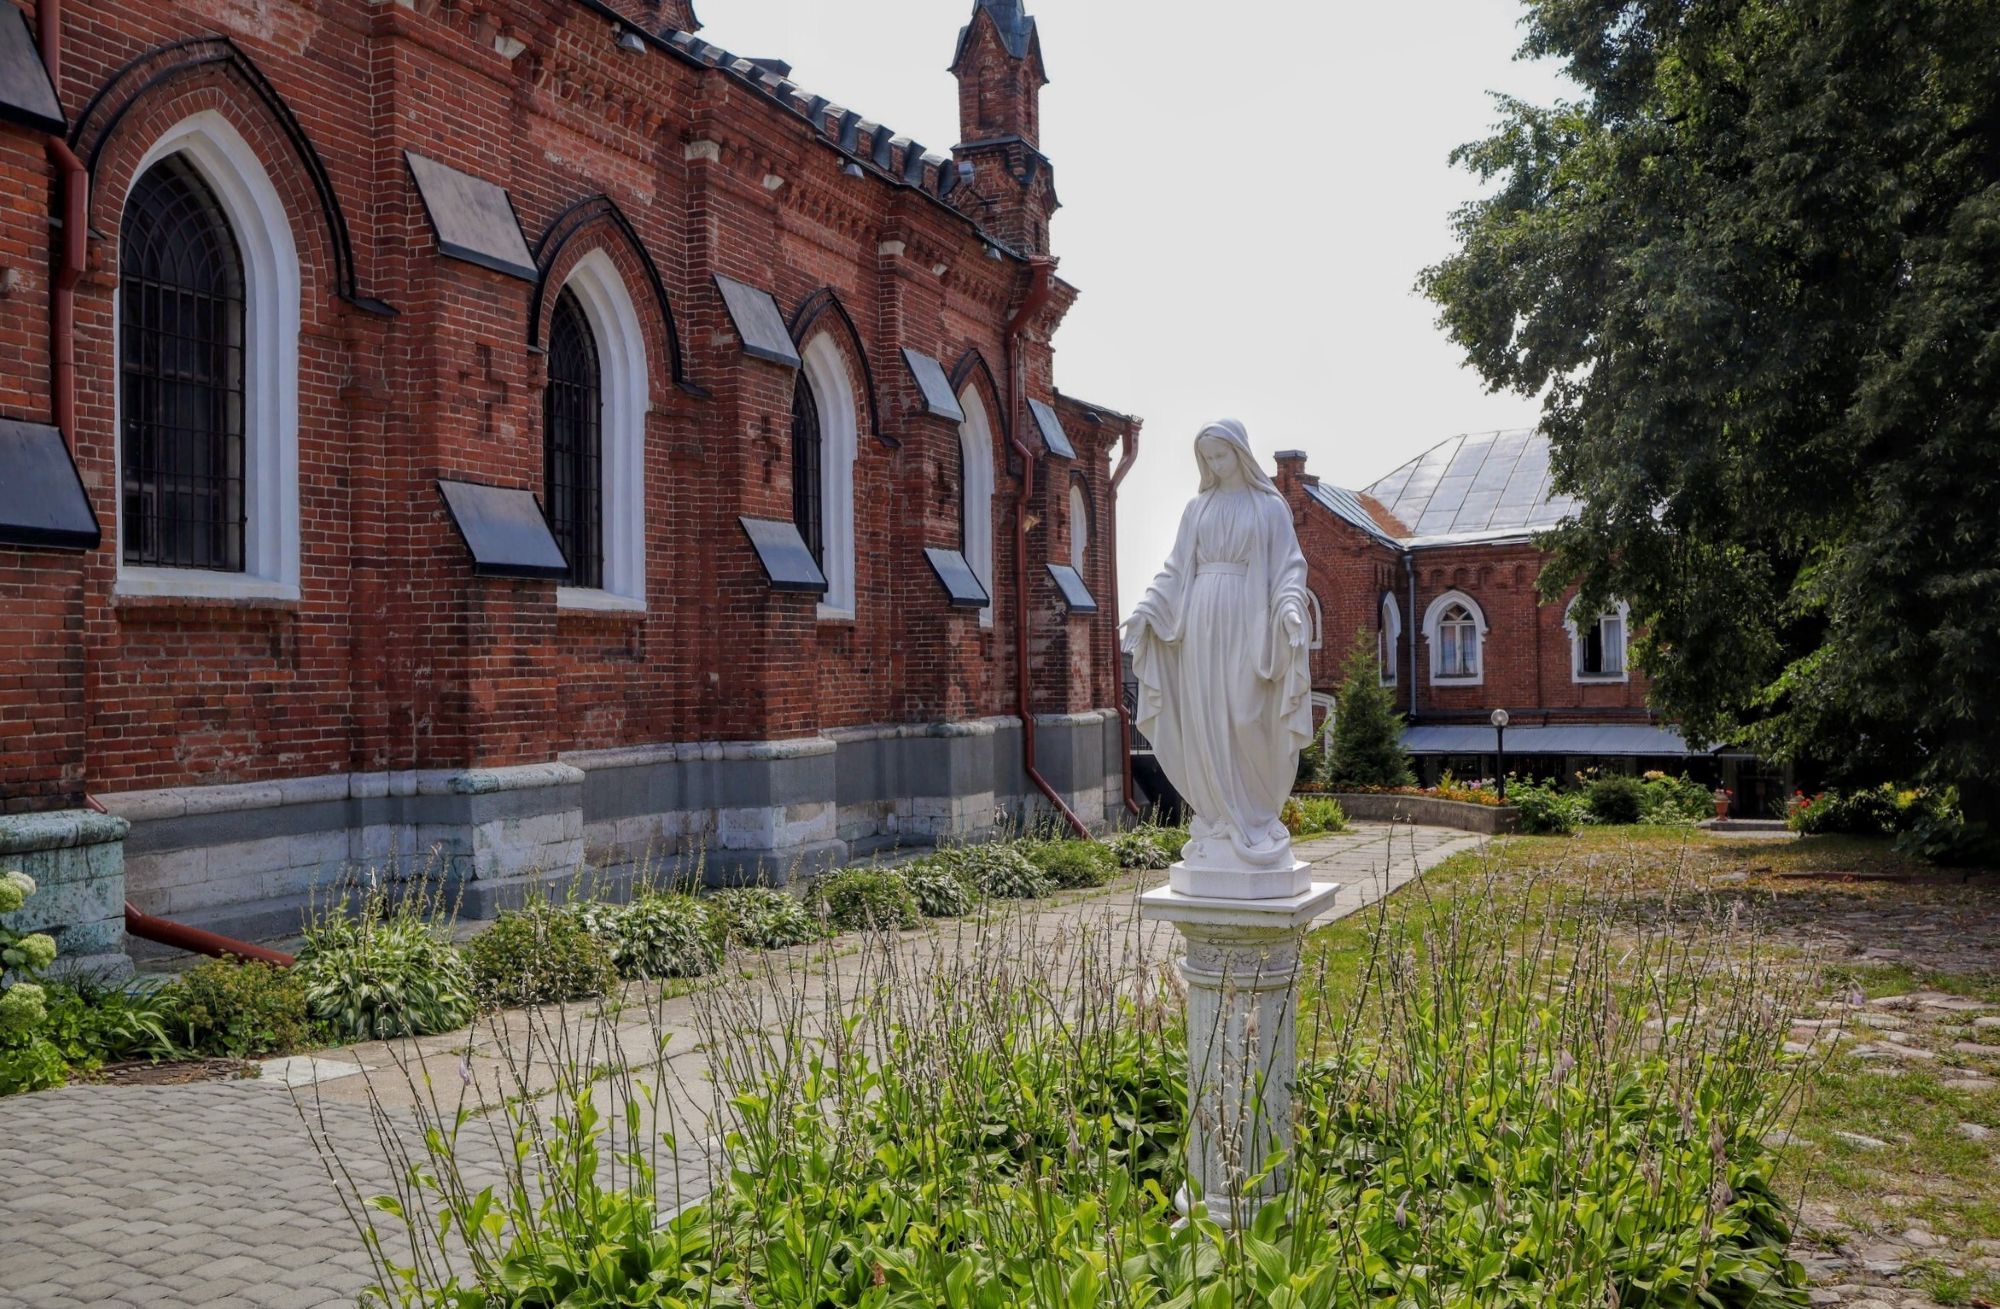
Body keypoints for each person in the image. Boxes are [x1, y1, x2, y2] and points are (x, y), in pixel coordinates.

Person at [1124, 419, 1313, 876]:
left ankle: (1255, 815)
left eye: (1221, 456)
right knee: (1205, 717)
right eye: (1207, 458)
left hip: (1248, 622)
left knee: (1245, 714)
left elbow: (1289, 567)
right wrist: (1147, 609)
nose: (1214, 464)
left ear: (1240, 454)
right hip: (1201, 621)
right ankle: (1217, 820)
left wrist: (1290, 610)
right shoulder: (1198, 508)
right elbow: (1174, 569)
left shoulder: (1269, 508)